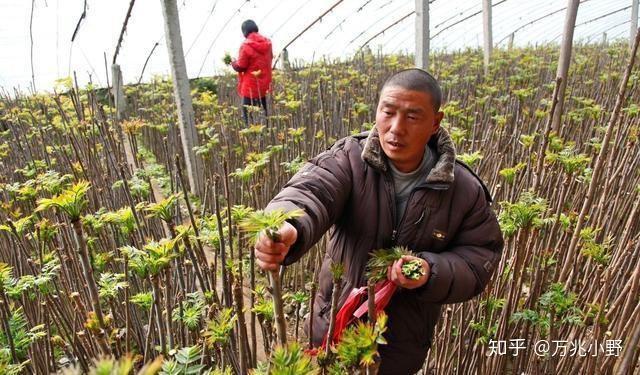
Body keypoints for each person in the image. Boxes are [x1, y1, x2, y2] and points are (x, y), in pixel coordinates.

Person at [253, 68, 504, 374]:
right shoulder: (349, 159)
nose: (396, 128)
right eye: (388, 112)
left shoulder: (463, 189)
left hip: (399, 345)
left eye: (412, 117)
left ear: (436, 123)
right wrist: (290, 225)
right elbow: (312, 190)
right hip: (333, 325)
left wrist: (429, 271)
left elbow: (479, 257)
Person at [230, 19, 273, 127]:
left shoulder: (245, 46)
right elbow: (270, 58)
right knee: (263, 113)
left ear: (244, 32)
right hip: (264, 84)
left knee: (247, 117)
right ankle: (265, 133)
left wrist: (233, 63)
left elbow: (241, 67)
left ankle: (251, 137)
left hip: (251, 86)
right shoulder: (267, 43)